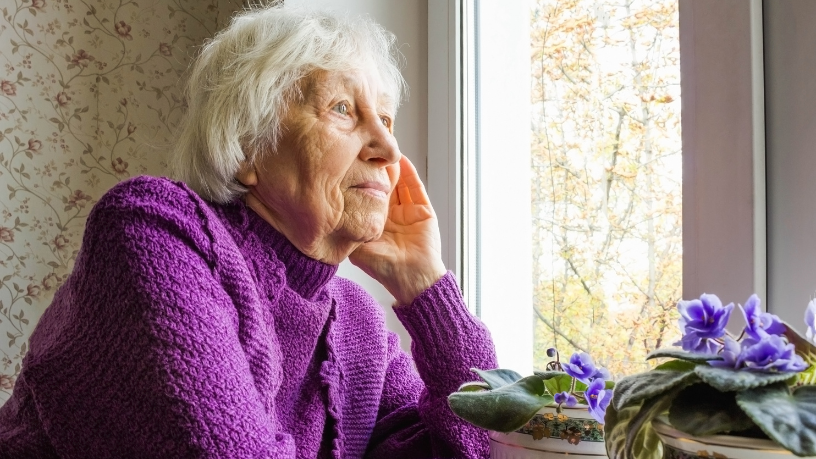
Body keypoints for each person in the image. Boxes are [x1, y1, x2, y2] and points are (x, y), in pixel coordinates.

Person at [0, 5, 497, 458]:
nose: (389, 147)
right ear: (247, 146)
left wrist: (428, 289)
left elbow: (473, 447)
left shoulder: (357, 324)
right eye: (343, 108)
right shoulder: (154, 233)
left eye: (386, 118)